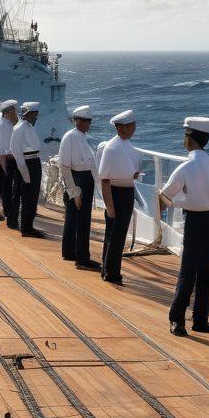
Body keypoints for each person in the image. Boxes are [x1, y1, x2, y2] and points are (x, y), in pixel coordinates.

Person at [159, 117, 209, 336]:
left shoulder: (186, 166)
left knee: (187, 272)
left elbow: (165, 195)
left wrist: (170, 206)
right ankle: (200, 320)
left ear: (191, 138)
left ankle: (177, 320)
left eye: (185, 135)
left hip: (196, 221)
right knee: (206, 272)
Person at [96, 110, 141, 285]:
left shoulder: (124, 145)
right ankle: (112, 273)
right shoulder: (112, 148)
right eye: (131, 126)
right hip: (116, 193)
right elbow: (105, 179)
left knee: (116, 235)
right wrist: (110, 206)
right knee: (115, 235)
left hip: (126, 191)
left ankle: (107, 269)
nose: (134, 129)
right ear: (121, 128)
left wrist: (133, 174)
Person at [58, 105, 100, 270]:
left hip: (85, 178)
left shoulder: (83, 137)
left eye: (89, 121)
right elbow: (65, 166)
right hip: (78, 179)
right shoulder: (70, 137)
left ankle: (69, 251)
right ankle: (82, 259)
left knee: (74, 218)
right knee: (82, 220)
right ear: (76, 121)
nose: (87, 124)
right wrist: (74, 191)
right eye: (84, 120)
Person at [10, 102, 44, 238]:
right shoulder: (19, 128)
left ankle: (29, 225)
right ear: (28, 114)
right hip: (27, 163)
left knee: (33, 196)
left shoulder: (28, 126)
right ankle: (26, 227)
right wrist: (24, 171)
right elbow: (16, 151)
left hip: (33, 161)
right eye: (35, 114)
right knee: (28, 197)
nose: (36, 117)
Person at [0, 100, 18, 223]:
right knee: (4, 186)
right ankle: (2, 212)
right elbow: (0, 147)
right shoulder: (2, 124)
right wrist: (4, 166)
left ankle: (2, 211)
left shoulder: (1, 119)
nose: (15, 113)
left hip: (6, 157)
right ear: (8, 112)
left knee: (1, 186)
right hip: (3, 158)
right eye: (13, 110)